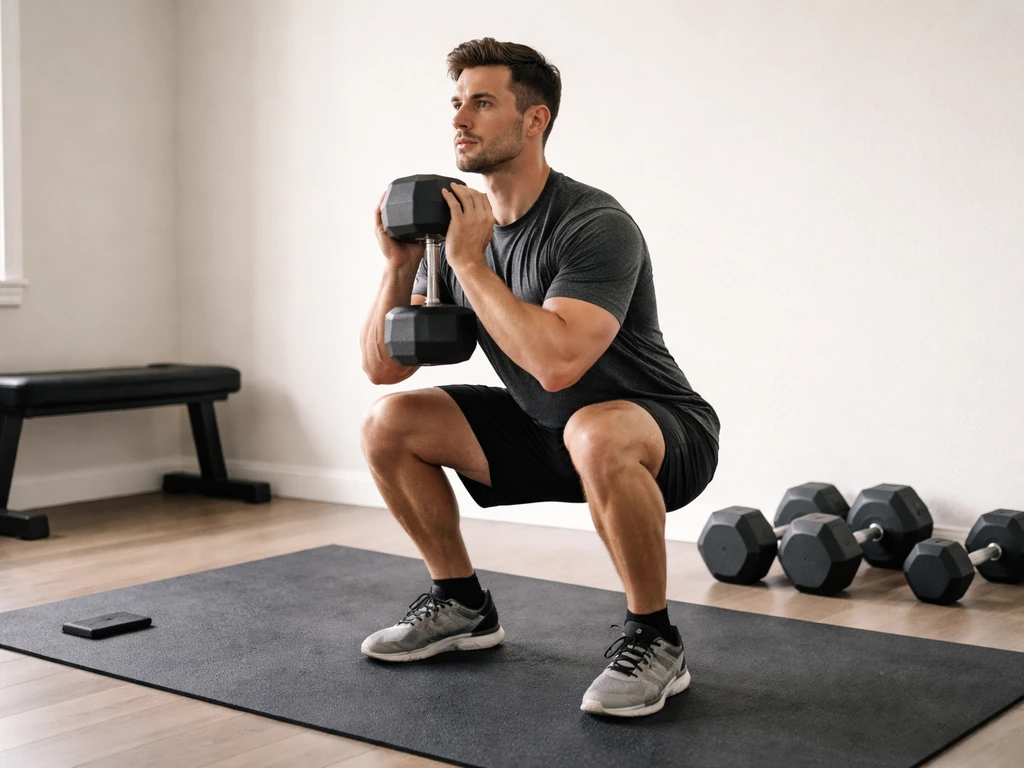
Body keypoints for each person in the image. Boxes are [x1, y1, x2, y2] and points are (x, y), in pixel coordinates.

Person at [359, 37, 720, 718]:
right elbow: (384, 367)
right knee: (389, 424)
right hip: (547, 430)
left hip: (657, 431)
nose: (460, 120)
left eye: (484, 103)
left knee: (594, 427)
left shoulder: (593, 224)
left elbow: (558, 363)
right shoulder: (461, 232)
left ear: (535, 121)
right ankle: (461, 603)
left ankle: (655, 637)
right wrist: (397, 266)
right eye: (458, 103)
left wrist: (471, 266)